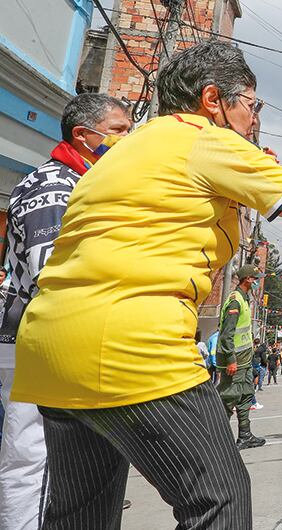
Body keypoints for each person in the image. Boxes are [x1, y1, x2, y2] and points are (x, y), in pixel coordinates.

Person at [8, 40, 282, 528]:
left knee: (81, 513)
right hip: (131, 345)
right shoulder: (204, 139)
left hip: (47, 349)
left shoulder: (126, 149)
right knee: (219, 498)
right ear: (213, 99)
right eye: (253, 105)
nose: (255, 120)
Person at [0, 93, 132, 530]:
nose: (127, 140)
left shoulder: (86, 184)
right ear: (83, 135)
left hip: (64, 342)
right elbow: (53, 274)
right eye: (118, 131)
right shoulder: (54, 187)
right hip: (38, 341)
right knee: (35, 460)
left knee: (66, 464)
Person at [216, 265, 266, 450]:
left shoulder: (245, 299)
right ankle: (216, 440)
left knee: (246, 395)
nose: (257, 282)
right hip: (234, 360)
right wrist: (230, 359)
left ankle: (245, 436)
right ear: (247, 279)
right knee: (229, 397)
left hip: (244, 360)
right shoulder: (235, 301)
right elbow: (226, 334)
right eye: (255, 279)